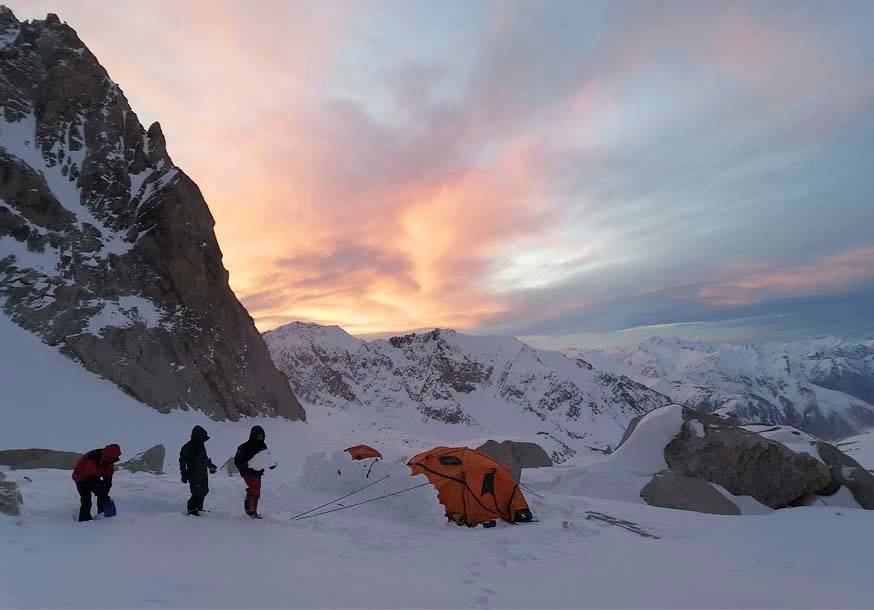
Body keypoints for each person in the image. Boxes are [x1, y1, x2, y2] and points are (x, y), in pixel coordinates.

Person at [72, 444, 121, 522]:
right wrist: (104, 494)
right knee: (86, 500)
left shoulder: (109, 460)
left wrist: (106, 488)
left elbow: (108, 475)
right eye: (111, 459)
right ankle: (84, 521)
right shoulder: (91, 459)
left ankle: (101, 516)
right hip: (81, 478)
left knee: (103, 494)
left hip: (93, 476)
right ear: (107, 457)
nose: (112, 461)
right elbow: (93, 481)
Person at [179, 425, 217, 516]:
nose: (204, 440)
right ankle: (191, 510)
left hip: (203, 472)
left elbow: (204, 458)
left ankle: (199, 508)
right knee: (196, 492)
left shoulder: (201, 446)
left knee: (204, 490)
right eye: (203, 438)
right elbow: (182, 461)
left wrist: (210, 466)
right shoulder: (187, 447)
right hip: (193, 473)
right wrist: (184, 473)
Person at [234, 425, 268, 519]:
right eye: (259, 436)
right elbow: (237, 461)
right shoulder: (244, 447)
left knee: (257, 491)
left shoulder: (263, 446)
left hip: (258, 472)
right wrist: (244, 466)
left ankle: (254, 511)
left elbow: (266, 457)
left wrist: (271, 464)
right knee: (254, 488)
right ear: (254, 435)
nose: (261, 438)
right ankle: (249, 509)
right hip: (247, 472)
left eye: (262, 436)